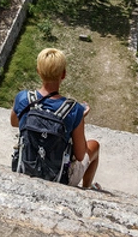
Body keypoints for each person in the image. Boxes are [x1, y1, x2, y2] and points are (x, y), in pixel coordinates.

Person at [11, 47, 100, 189]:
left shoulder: (23, 97)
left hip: (24, 167)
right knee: (94, 145)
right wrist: (79, 119)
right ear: (63, 74)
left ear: (38, 72)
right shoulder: (74, 110)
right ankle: (86, 189)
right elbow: (80, 155)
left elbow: (15, 122)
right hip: (58, 178)